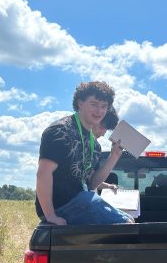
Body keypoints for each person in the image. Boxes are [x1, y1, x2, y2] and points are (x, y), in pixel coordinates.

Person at [35, 81, 133, 225]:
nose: (99, 111)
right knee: (125, 224)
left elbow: (92, 183)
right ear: (80, 103)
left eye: (104, 106)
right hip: (62, 206)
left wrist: (114, 156)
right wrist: (50, 215)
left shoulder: (95, 145)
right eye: (94, 104)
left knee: (129, 219)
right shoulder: (60, 131)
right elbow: (43, 173)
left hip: (82, 200)